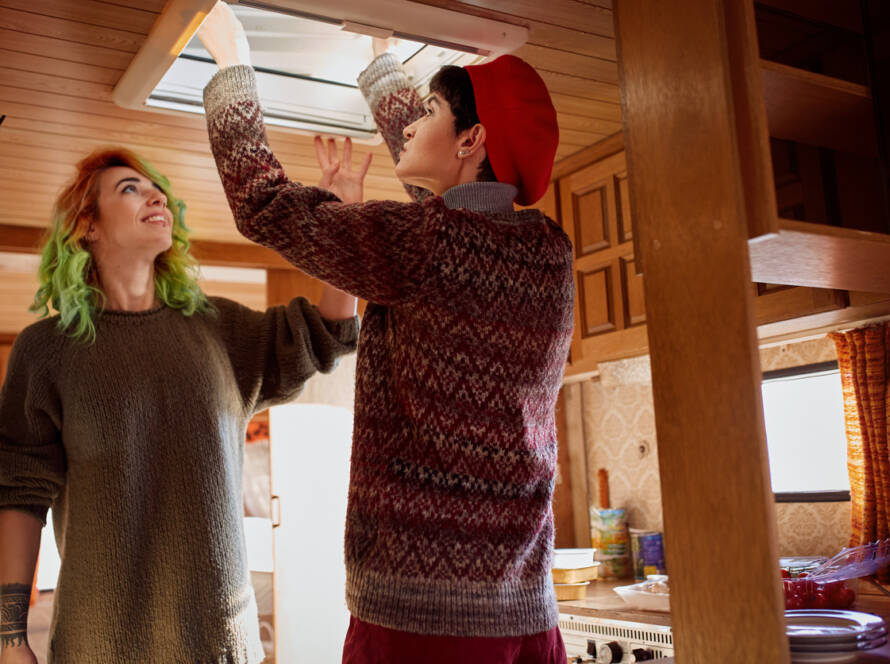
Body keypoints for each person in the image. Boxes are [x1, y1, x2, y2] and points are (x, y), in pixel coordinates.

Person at [197, 3, 573, 662]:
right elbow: (456, 193)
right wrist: (381, 60)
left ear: (471, 139)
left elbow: (262, 203)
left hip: (421, 623)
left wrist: (232, 62)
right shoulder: (548, 250)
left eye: (430, 111)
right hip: (527, 615)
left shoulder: (427, 242)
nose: (414, 123)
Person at [0, 147, 360, 664]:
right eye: (130, 189)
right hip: (99, 645)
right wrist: (10, 636)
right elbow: (18, 494)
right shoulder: (47, 351)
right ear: (88, 227)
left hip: (219, 644)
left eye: (157, 189)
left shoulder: (216, 329)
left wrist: (343, 228)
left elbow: (328, 332)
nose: (155, 195)